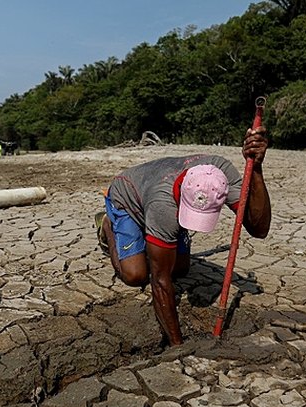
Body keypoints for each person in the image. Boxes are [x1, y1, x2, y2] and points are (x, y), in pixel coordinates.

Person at [95, 128, 271, 346]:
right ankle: (107, 224)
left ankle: (151, 237)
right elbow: (158, 281)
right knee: (135, 275)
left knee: (180, 270)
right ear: (181, 197)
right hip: (127, 197)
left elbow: (259, 228)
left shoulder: (219, 174)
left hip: (155, 196)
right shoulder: (164, 206)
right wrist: (177, 345)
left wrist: (257, 168)